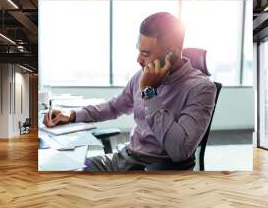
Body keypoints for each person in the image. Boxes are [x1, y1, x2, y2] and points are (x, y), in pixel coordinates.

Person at [43, 12, 216, 171]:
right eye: (139, 50)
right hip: (125, 157)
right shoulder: (141, 75)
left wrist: (149, 94)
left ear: (172, 54)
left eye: (146, 53)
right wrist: (72, 115)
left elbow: (180, 150)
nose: (138, 59)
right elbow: (114, 107)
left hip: (151, 170)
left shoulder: (201, 89)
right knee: (68, 169)